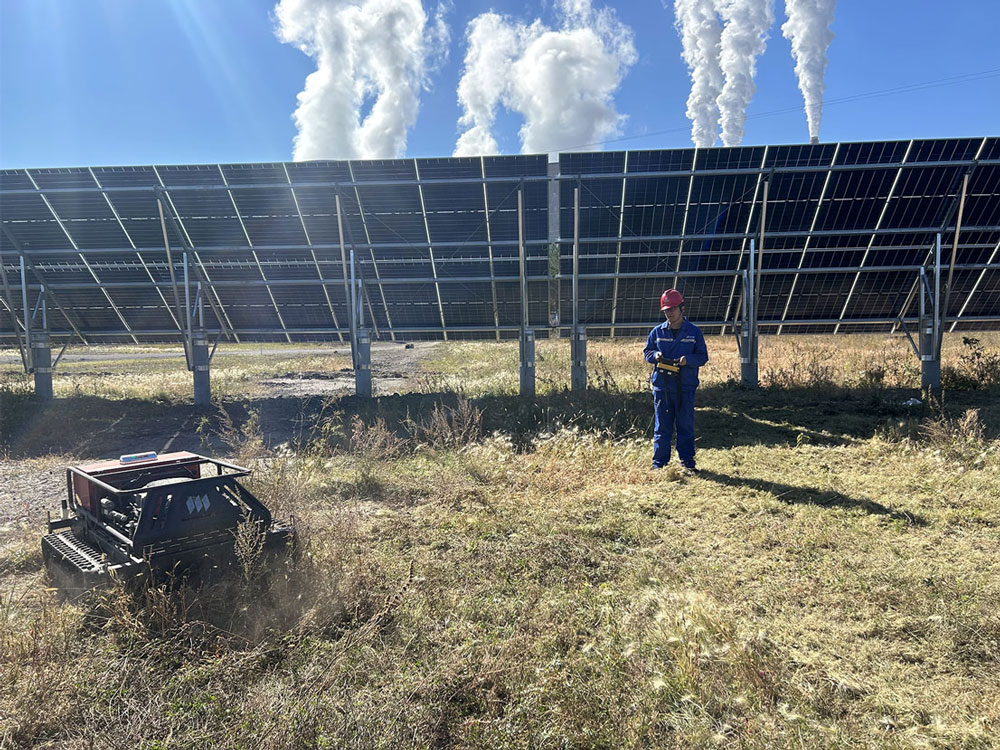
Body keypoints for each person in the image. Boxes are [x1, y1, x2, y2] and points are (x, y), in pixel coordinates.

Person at [642, 289, 709, 473]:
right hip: (662, 387)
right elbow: (647, 352)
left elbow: (703, 356)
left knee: (685, 425)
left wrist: (688, 360)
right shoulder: (657, 332)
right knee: (662, 427)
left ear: (682, 308)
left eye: (672, 309)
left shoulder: (694, 332)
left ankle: (687, 463)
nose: (669, 313)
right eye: (666, 310)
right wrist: (655, 355)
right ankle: (659, 465)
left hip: (685, 388)